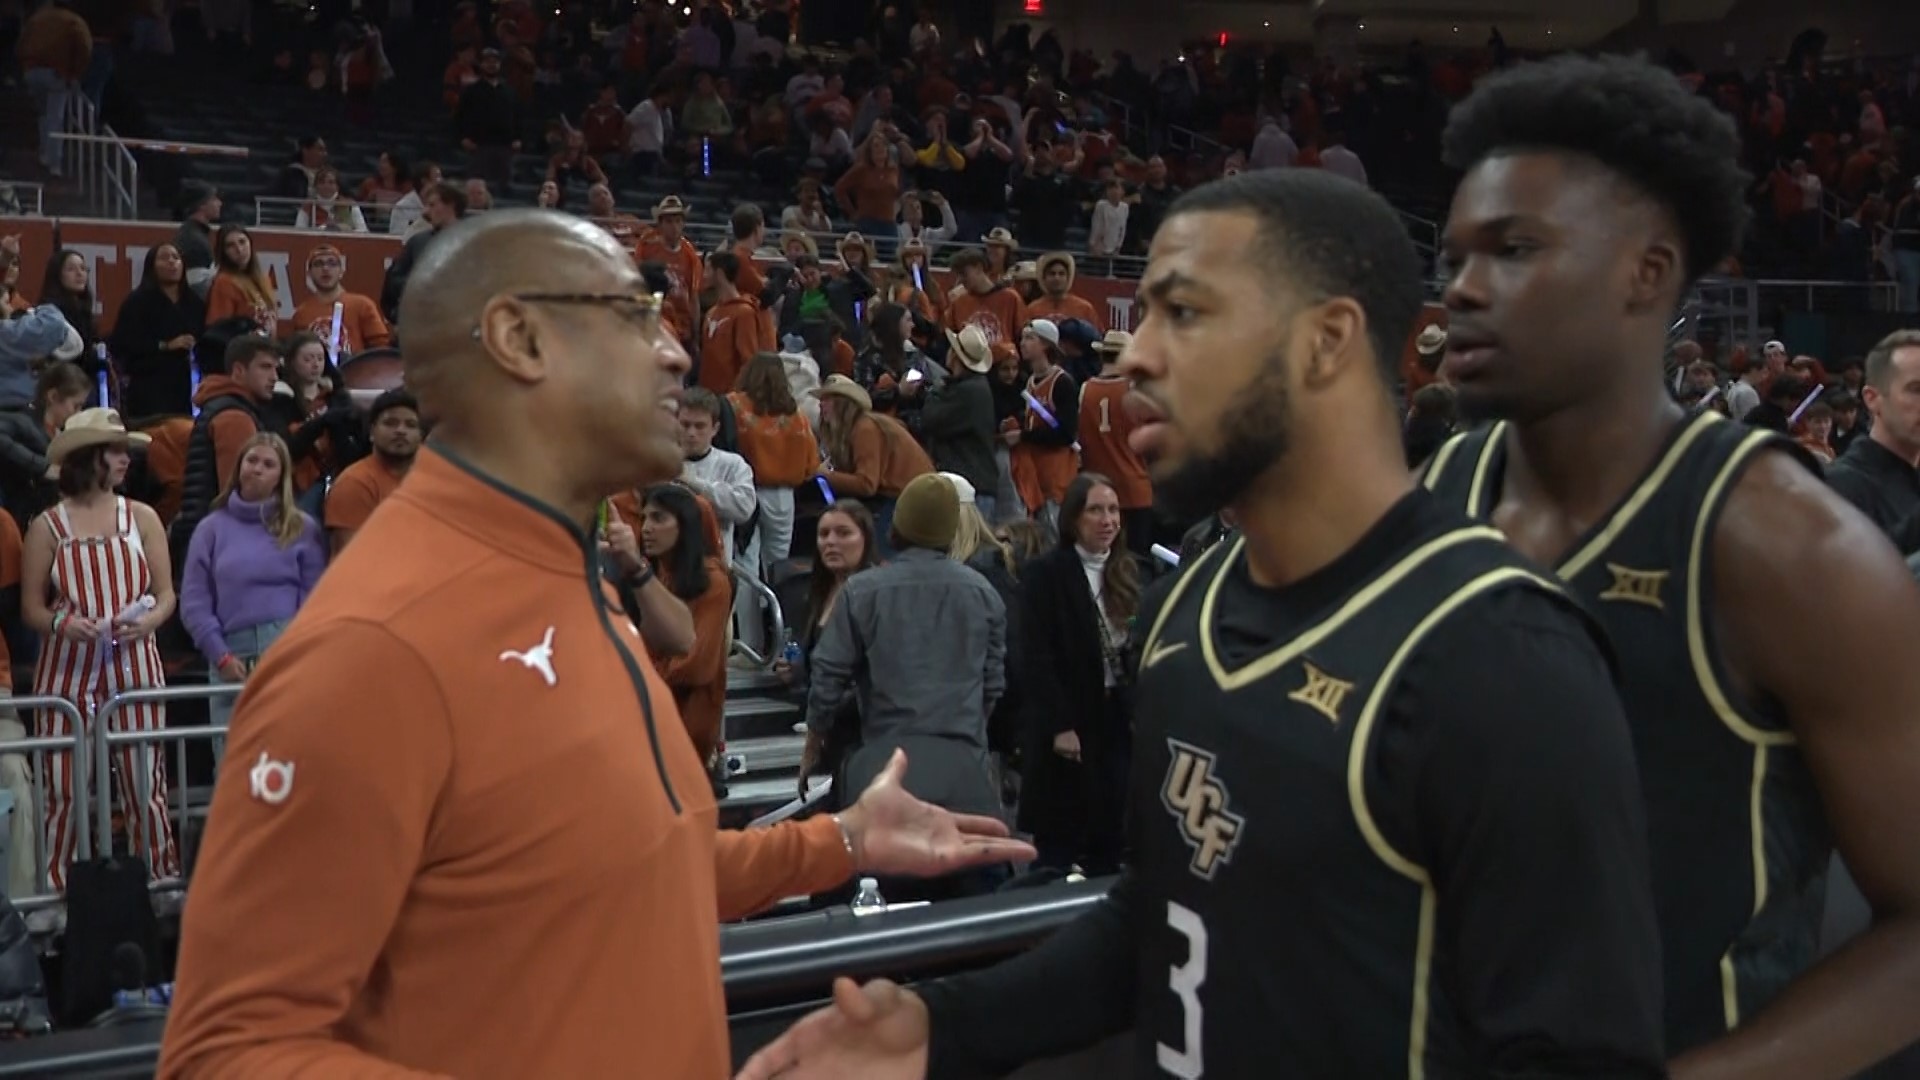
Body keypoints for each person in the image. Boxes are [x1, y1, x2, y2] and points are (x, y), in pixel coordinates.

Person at [740, 169, 1663, 1079]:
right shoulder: (1186, 611)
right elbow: (1159, 914)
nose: (1135, 354)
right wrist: (949, 1026)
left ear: (1325, 341)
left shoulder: (1501, 657)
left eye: (1183, 314)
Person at [158, 209, 1033, 1079]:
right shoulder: (376, 643)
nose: (678, 352)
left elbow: (626, 855)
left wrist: (839, 840)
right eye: (635, 315)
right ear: (519, 337)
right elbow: (224, 1053)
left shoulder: (576, 579)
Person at [1421, 54, 1920, 1077]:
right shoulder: (1440, 489)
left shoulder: (1791, 545)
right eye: (1454, 257)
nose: (1463, 290)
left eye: (1512, 249)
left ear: (1647, 273)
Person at [21, 408, 179, 892]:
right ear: (89, 458)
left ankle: (158, 880)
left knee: (144, 784)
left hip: (134, 665)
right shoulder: (48, 526)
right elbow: (32, 609)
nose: (125, 459)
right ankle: (57, 889)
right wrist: (64, 625)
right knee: (64, 788)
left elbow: (168, 594)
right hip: (66, 673)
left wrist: (148, 620)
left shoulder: (143, 517)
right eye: (115, 451)